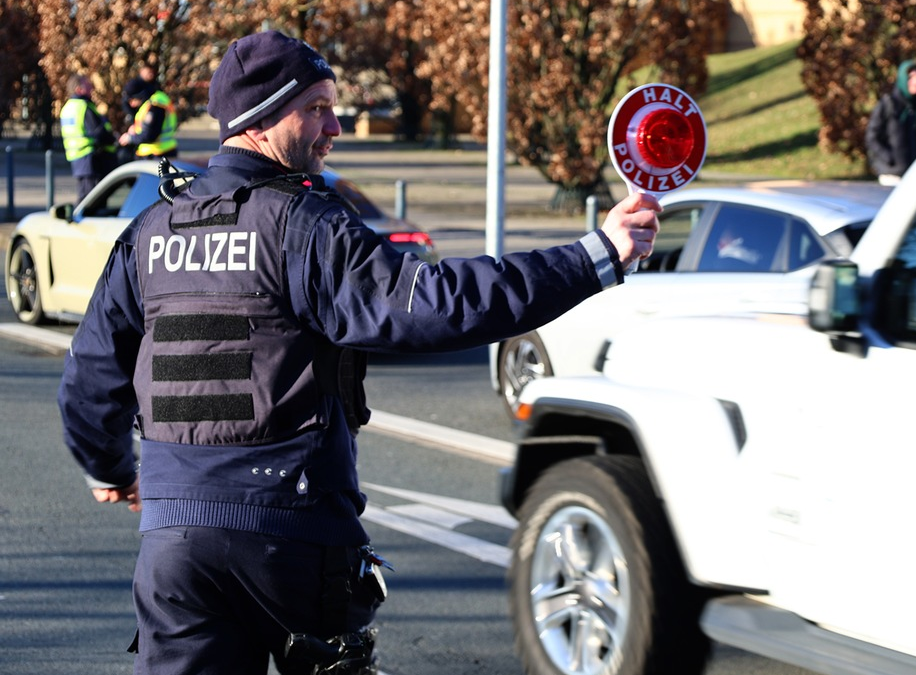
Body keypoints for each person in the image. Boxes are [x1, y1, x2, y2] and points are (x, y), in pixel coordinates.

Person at [58, 29, 659, 675]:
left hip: (174, 547)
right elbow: (441, 302)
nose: (336, 126)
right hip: (292, 538)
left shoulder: (151, 232)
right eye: (316, 107)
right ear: (261, 117)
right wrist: (594, 257)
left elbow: (90, 377)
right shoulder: (304, 226)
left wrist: (111, 469)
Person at [866, 58, 916, 186]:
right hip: (893, 176)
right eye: (911, 77)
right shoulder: (889, 104)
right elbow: (872, 137)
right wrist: (889, 157)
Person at [59, 72, 117, 201]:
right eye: (88, 85)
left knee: (84, 194)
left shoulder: (67, 107)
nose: (91, 88)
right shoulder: (84, 107)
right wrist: (113, 140)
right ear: (79, 89)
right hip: (89, 158)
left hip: (77, 158)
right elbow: (98, 132)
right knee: (91, 200)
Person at [118, 74, 178, 160]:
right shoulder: (155, 100)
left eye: (132, 100)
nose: (132, 104)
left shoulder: (155, 106)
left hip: (157, 154)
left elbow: (150, 135)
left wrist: (130, 138)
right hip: (160, 152)